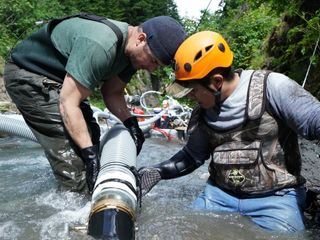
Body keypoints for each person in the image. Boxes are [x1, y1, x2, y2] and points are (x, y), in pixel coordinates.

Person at [139, 31, 320, 232]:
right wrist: (157, 171)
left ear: (216, 82)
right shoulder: (203, 110)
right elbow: (191, 156)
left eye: (193, 90)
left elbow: (315, 121)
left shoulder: (273, 86)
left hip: (276, 199)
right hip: (218, 197)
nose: (189, 97)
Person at [4, 13, 186, 193]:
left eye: (157, 66)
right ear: (140, 39)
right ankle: (73, 210)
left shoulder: (132, 57)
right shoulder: (102, 45)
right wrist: (89, 155)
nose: (151, 68)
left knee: (92, 137)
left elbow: (112, 92)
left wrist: (131, 125)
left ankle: (86, 189)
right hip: (28, 75)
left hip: (62, 83)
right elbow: (68, 103)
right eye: (153, 61)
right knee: (74, 163)